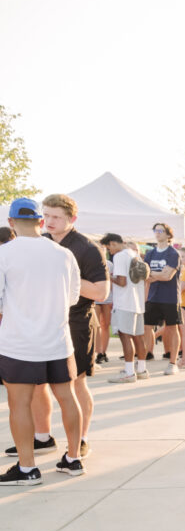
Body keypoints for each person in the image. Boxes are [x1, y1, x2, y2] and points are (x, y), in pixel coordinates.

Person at [0, 197, 84, 484]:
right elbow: (73, 297)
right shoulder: (63, 254)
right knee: (67, 397)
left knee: (19, 404)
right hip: (58, 340)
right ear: (40, 221)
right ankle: (73, 459)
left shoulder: (4, 254)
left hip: (19, 343)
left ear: (11, 223)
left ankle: (27, 468)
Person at [40, 194, 108, 459]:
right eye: (45, 215)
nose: (49, 221)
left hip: (77, 323)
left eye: (56, 216)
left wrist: (66, 278)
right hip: (44, 322)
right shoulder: (39, 242)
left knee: (76, 383)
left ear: (72, 219)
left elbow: (102, 292)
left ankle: (81, 438)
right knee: (37, 384)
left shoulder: (87, 248)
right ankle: (41, 437)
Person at [101, 234, 148, 384]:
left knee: (125, 336)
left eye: (109, 247)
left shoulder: (120, 257)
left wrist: (108, 275)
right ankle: (141, 369)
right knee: (138, 337)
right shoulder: (135, 254)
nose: (110, 251)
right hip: (138, 301)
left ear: (114, 243)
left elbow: (122, 281)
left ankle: (129, 372)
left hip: (124, 302)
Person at [142, 222, 182, 374]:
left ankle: (173, 363)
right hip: (153, 296)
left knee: (172, 329)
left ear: (168, 234)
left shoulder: (173, 254)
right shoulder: (150, 254)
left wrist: (153, 275)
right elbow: (144, 275)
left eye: (160, 230)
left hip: (170, 298)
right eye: (155, 230)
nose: (157, 233)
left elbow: (168, 276)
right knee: (146, 328)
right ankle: (142, 361)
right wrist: (156, 275)